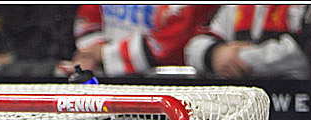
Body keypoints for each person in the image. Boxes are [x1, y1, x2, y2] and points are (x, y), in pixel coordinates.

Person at [70, 4, 218, 77]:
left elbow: (173, 42)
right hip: (110, 81)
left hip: (165, 88)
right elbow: (88, 20)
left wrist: (104, 55)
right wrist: (90, 55)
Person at [184, 4, 310, 79]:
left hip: (296, 101)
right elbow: (194, 47)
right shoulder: (235, 6)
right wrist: (213, 54)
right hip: (239, 105)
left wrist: (236, 58)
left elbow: (304, 52)